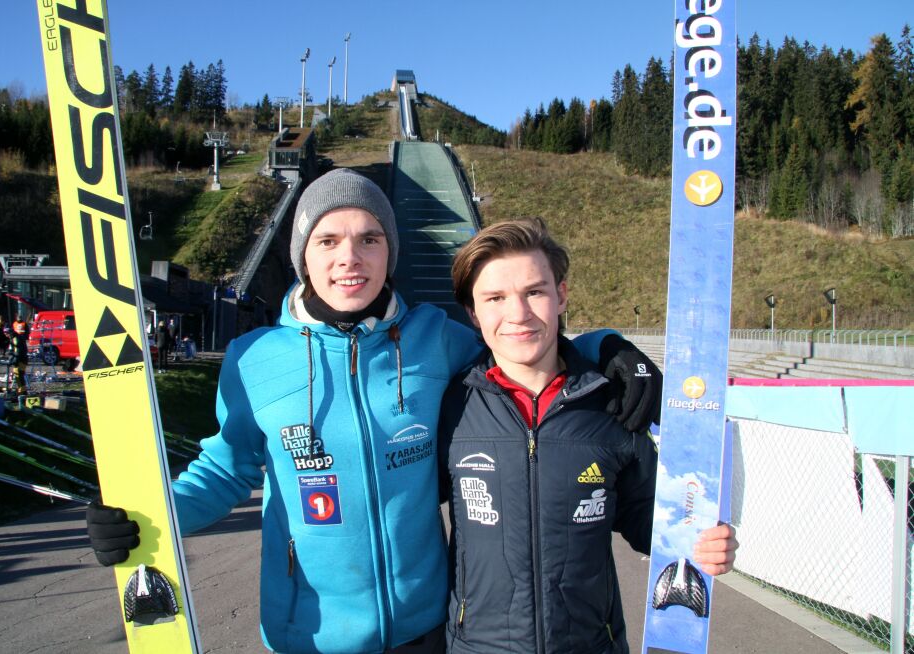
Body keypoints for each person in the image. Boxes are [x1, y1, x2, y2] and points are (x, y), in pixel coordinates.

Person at [86, 170, 663, 654]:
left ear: (390, 252)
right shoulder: (253, 359)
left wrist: (605, 347)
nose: (350, 258)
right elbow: (225, 468)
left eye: (369, 239)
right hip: (307, 632)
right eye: (328, 240)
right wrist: (147, 515)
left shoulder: (438, 339)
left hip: (426, 626)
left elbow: (520, 343)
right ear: (302, 257)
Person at [438, 218, 737, 653]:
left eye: (534, 292)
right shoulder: (452, 405)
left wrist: (704, 540)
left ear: (561, 296)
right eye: (496, 298)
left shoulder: (612, 403)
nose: (518, 314)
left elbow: (649, 518)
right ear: (473, 312)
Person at [9, 316, 29, 395]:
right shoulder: (14, 337)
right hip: (22, 358)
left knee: (19, 374)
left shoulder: (16, 339)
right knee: (18, 375)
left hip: (21, 359)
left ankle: (22, 391)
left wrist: (13, 360)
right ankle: (22, 390)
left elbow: (18, 351)